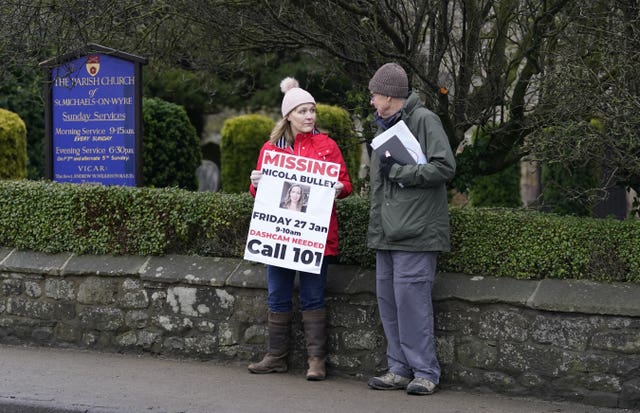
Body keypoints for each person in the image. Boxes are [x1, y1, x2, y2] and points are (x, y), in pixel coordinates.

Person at [247, 77, 352, 381]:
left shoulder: (328, 146)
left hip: (315, 238)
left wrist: (337, 188)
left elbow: (346, 184)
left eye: (312, 111)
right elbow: (262, 197)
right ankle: (276, 356)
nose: (309, 116)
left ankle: (316, 360)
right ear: (288, 116)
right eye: (303, 111)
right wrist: (256, 185)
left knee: (313, 297)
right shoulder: (271, 150)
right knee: (277, 295)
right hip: (280, 236)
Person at [365, 63, 456, 395]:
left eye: (375, 95)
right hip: (389, 233)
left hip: (416, 233)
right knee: (389, 302)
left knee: (412, 302)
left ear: (390, 96)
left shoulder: (424, 120)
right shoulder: (384, 128)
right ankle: (398, 369)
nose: (372, 101)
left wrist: (400, 172)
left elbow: (445, 167)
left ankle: (425, 372)